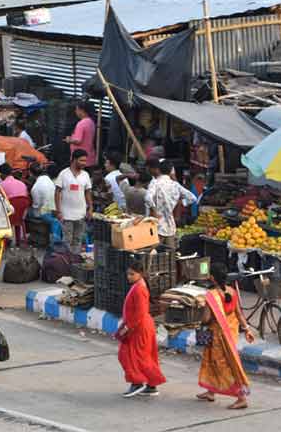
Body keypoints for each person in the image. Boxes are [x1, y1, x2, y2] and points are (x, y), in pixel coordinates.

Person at [197, 263, 255, 409]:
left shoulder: (212, 296)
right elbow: (238, 313)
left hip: (218, 335)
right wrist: (247, 329)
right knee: (213, 361)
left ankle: (241, 397)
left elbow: (206, 319)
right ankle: (211, 392)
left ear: (212, 278)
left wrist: (202, 308)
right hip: (231, 333)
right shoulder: (232, 291)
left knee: (226, 365)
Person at [117, 260, 165, 397]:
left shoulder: (139, 289)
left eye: (132, 274)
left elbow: (140, 313)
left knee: (129, 355)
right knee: (144, 357)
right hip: (140, 326)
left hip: (138, 328)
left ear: (141, 274)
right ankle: (151, 385)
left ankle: (137, 382)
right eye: (128, 274)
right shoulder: (139, 286)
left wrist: (127, 328)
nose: (129, 277)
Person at [146, 158, 197, 249]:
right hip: (170, 225)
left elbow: (148, 198)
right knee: (170, 255)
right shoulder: (175, 185)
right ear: (171, 171)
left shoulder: (155, 183)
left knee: (152, 254)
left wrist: (154, 211)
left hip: (157, 224)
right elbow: (193, 198)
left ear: (159, 169)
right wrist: (181, 202)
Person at [55, 150, 93, 253]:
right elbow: (57, 192)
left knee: (78, 240)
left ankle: (74, 261)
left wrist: (90, 209)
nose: (84, 163)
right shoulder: (64, 174)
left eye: (85, 161)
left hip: (81, 214)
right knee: (67, 240)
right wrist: (58, 211)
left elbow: (88, 193)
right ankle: (65, 262)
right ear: (74, 160)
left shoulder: (85, 175)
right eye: (81, 160)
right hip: (66, 214)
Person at [31, 163, 62, 242]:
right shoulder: (50, 182)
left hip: (43, 213)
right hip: (53, 210)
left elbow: (36, 205)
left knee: (26, 212)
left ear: (31, 174)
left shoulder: (35, 187)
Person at [65, 101, 97, 166]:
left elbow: (78, 140)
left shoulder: (81, 124)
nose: (75, 111)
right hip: (90, 157)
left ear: (81, 110)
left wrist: (69, 140)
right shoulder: (91, 122)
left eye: (76, 109)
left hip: (80, 159)